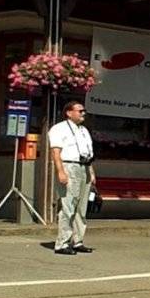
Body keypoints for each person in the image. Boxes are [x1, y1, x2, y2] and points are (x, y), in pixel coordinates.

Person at [48, 101, 95, 255]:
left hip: (84, 167)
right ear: (69, 112)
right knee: (68, 205)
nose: (83, 113)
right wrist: (61, 171)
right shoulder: (59, 129)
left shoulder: (84, 130)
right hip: (69, 166)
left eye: (84, 111)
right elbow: (56, 152)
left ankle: (77, 240)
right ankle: (62, 243)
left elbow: (87, 153)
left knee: (81, 208)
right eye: (80, 110)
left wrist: (91, 172)